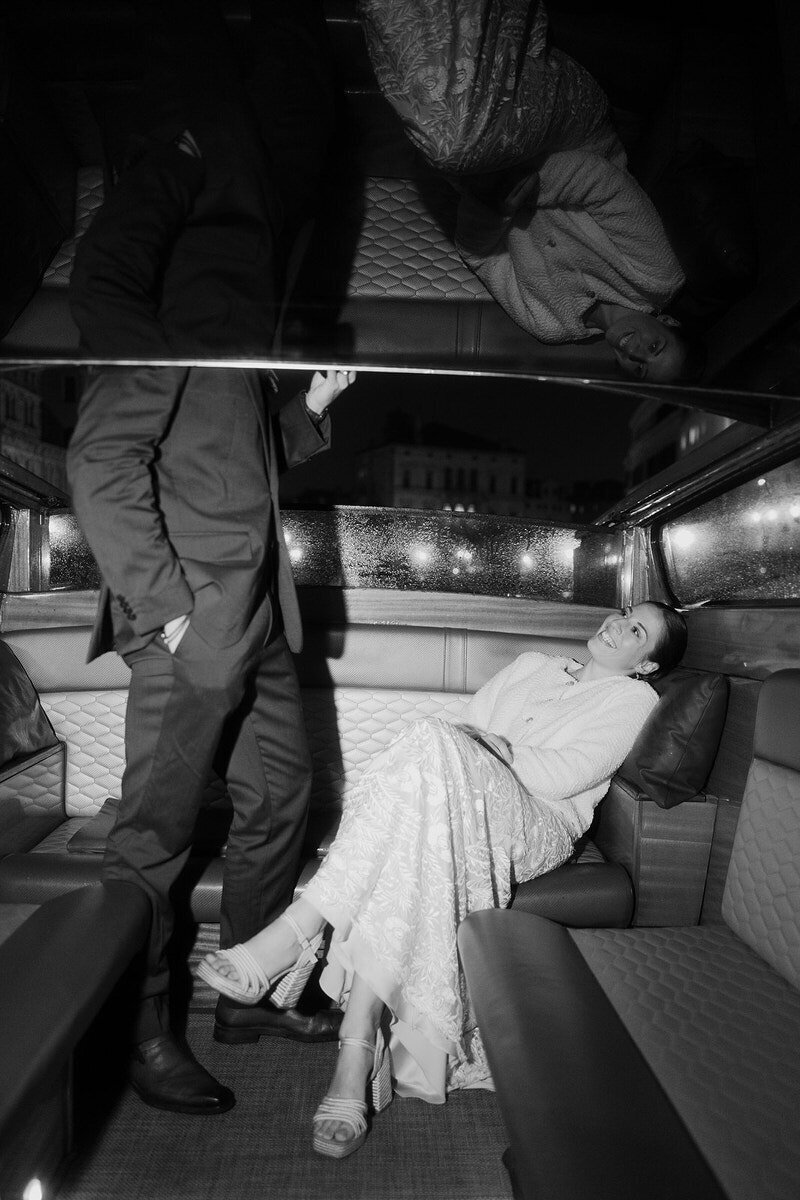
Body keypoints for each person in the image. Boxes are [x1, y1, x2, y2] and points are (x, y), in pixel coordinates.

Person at [66, 0, 356, 1117]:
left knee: (282, 795)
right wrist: (174, 613)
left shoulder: (237, 365)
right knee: (154, 838)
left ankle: (245, 989)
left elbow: (243, 471)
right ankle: (136, 1031)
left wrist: (310, 414)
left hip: (259, 619)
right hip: (190, 626)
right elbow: (100, 466)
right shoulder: (163, 336)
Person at [198, 601, 688, 1155]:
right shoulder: (532, 664)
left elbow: (564, 774)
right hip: (456, 801)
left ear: (646, 664)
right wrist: (465, 753)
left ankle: (300, 930)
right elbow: (462, 729)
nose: (616, 625)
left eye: (636, 631)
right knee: (421, 807)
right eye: (623, 613)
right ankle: (356, 1046)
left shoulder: (632, 700)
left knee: (434, 742)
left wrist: (479, 752)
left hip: (533, 823)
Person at [358, 0, 699, 383]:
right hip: (574, 132)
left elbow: (481, 258)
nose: (635, 353)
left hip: (483, 179)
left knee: (445, 132)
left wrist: (495, 209)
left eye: (638, 369)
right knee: (453, 142)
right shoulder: (659, 277)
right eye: (656, 348)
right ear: (668, 322)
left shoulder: (551, 325)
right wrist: (515, 188)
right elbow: (602, 184)